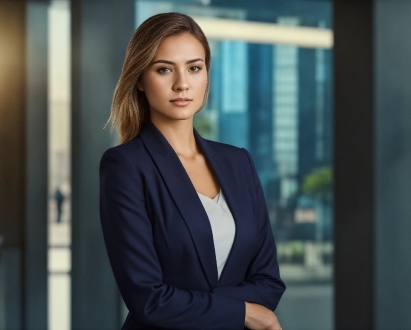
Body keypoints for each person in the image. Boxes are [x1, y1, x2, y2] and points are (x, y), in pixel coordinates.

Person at [99, 12, 285, 330]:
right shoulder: (126, 167)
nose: (182, 83)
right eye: (164, 69)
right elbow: (149, 299)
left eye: (194, 68)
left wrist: (190, 304)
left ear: (206, 76)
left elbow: (268, 282)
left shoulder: (238, 162)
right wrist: (243, 311)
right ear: (141, 79)